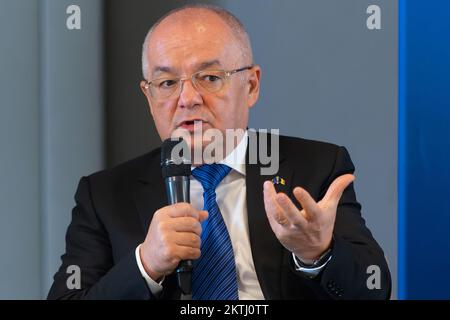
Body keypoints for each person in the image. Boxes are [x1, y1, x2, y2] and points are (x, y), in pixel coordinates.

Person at [48, 4, 391, 300]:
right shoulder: (105, 194)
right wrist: (145, 265)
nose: (187, 99)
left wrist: (318, 252)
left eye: (209, 77)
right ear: (149, 96)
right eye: (167, 83)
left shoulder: (315, 168)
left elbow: (374, 289)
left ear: (251, 85)